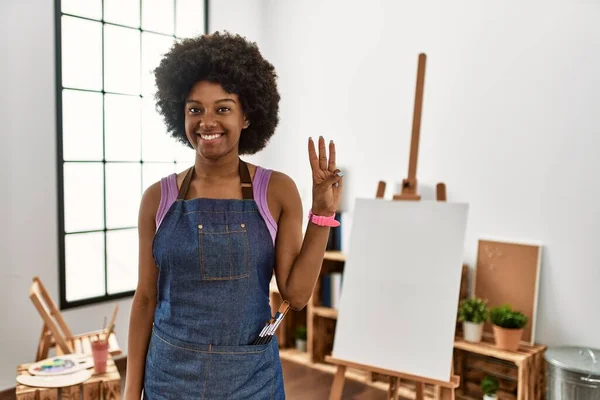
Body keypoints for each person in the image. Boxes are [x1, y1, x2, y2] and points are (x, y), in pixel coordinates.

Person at [123, 31, 344, 399]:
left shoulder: (276, 191)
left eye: (223, 108)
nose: (207, 122)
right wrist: (131, 392)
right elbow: (145, 299)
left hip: (250, 381)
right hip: (170, 378)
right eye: (195, 109)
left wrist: (322, 213)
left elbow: (297, 294)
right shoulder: (157, 199)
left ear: (246, 117)